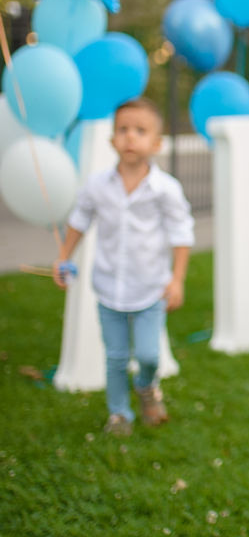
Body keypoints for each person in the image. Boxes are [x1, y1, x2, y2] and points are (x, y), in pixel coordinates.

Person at [53, 96, 194, 435]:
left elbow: (181, 234)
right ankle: (119, 414)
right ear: (111, 139)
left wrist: (176, 280)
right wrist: (64, 256)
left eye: (140, 130)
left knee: (147, 355)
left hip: (149, 290)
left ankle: (146, 387)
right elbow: (80, 219)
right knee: (115, 357)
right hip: (109, 288)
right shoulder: (97, 185)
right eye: (123, 130)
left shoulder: (166, 190)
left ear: (157, 143)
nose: (130, 137)